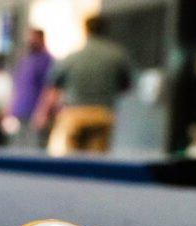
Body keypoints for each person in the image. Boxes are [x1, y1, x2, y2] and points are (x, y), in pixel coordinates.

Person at [34, 16, 133, 155]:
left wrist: (43, 113)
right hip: (103, 115)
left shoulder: (73, 57)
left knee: (66, 162)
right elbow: (126, 86)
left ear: (86, 30)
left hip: (74, 115)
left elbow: (53, 88)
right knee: (96, 163)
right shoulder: (117, 56)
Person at [5, 29, 53, 147]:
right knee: (17, 146)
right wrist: (8, 107)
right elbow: (18, 86)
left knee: (34, 148)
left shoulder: (47, 61)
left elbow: (50, 89)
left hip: (35, 114)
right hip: (19, 112)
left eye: (33, 38)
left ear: (41, 39)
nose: (30, 41)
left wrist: (43, 112)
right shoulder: (26, 60)